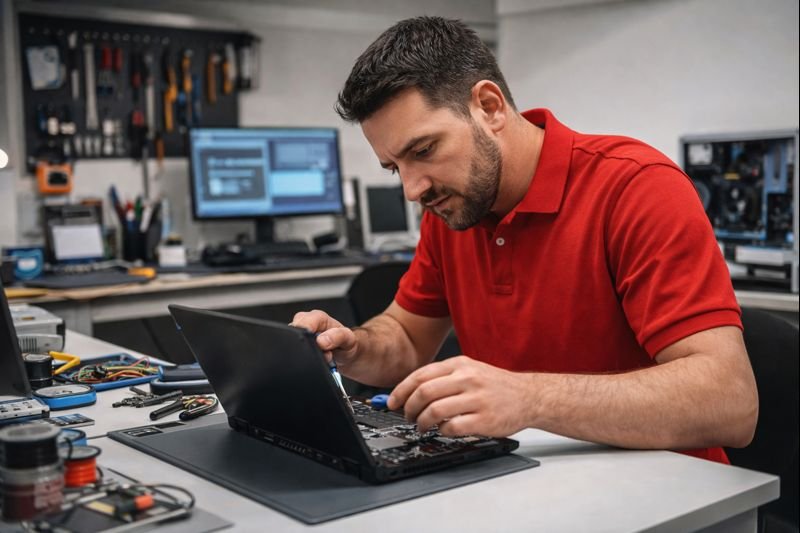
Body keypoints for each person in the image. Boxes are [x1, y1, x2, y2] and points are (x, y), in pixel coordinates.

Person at [292, 16, 757, 463]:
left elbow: (730, 402)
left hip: (666, 487)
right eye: (396, 168)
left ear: (489, 106)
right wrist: (353, 346)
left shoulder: (637, 187)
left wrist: (529, 397)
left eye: (424, 150)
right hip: (522, 478)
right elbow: (407, 338)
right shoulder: (453, 208)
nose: (413, 190)